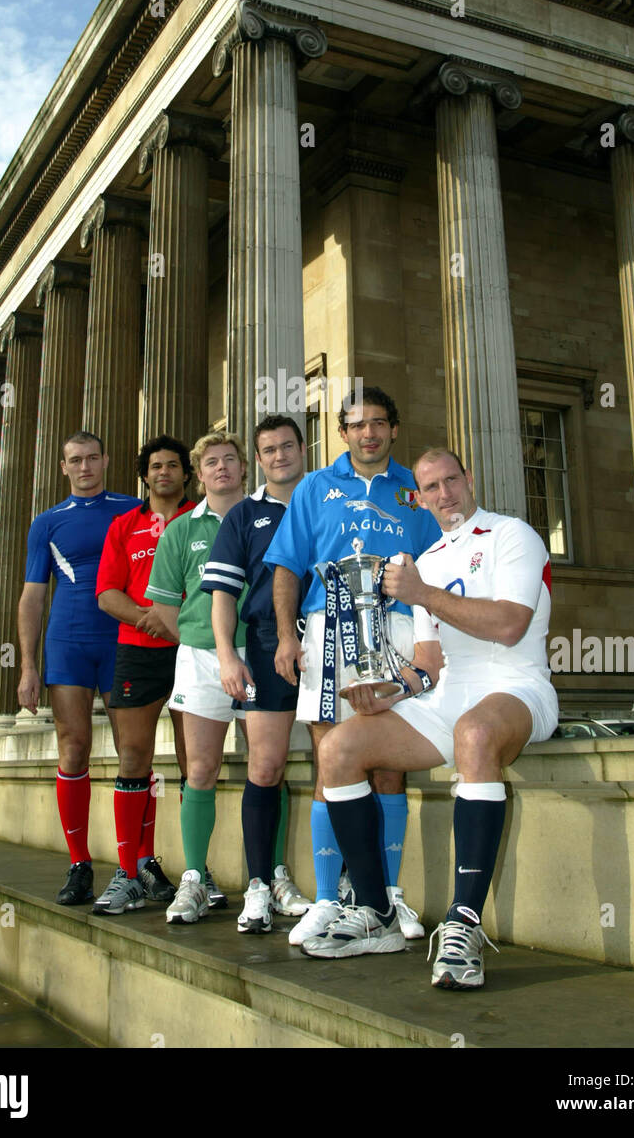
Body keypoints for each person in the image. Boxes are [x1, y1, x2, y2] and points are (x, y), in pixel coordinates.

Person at [302, 447, 558, 990]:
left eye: (452, 481)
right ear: (418, 498)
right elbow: (428, 664)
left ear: (470, 478)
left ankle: (463, 924)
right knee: (338, 749)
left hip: (516, 686)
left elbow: (511, 625)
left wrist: (421, 593)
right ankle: (376, 913)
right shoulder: (429, 558)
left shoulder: (513, 535)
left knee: (477, 732)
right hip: (447, 698)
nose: (445, 495)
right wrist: (392, 691)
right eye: (432, 488)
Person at [267, 387, 440, 946]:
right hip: (325, 633)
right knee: (329, 760)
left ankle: (384, 897)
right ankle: (325, 898)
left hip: (398, 631)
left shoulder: (417, 490)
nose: (369, 433)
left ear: (394, 428)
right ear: (342, 432)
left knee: (390, 766)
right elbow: (287, 567)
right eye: (358, 424)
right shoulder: (315, 487)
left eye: (379, 424)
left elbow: (440, 566)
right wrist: (286, 638)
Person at [17, 431, 140, 905]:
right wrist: (28, 665)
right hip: (67, 641)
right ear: (63, 467)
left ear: (106, 460)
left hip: (122, 640)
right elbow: (32, 596)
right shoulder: (47, 522)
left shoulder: (132, 509)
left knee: (135, 750)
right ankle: (79, 864)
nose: (85, 466)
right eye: (76, 460)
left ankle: (138, 863)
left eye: (93, 458)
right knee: (73, 747)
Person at [201, 414, 313, 933]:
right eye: (268, 450)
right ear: (259, 460)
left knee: (340, 762)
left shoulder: (327, 500)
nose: (279, 456)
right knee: (265, 768)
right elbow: (223, 594)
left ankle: (349, 891)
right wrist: (228, 655)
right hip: (269, 642)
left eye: (287, 446)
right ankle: (260, 885)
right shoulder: (244, 516)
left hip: (334, 638)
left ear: (302, 447)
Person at [143, 431, 248, 924]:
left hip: (262, 656)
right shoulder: (181, 530)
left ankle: (270, 876)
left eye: (230, 459)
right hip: (202, 660)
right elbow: (163, 606)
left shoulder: (271, 521)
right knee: (200, 771)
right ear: (198, 474)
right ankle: (195, 878)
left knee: (267, 769)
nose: (221, 468)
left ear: (243, 468)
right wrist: (196, 634)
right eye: (211, 462)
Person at [91, 434, 194, 914]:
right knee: (133, 756)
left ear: (185, 473)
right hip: (137, 650)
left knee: (196, 764)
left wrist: (177, 623)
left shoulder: (204, 519)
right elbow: (107, 594)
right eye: (156, 466)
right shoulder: (123, 526)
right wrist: (148, 619)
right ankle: (129, 871)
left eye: (173, 465)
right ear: (145, 474)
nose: (164, 472)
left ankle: (196, 873)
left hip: (193, 650)